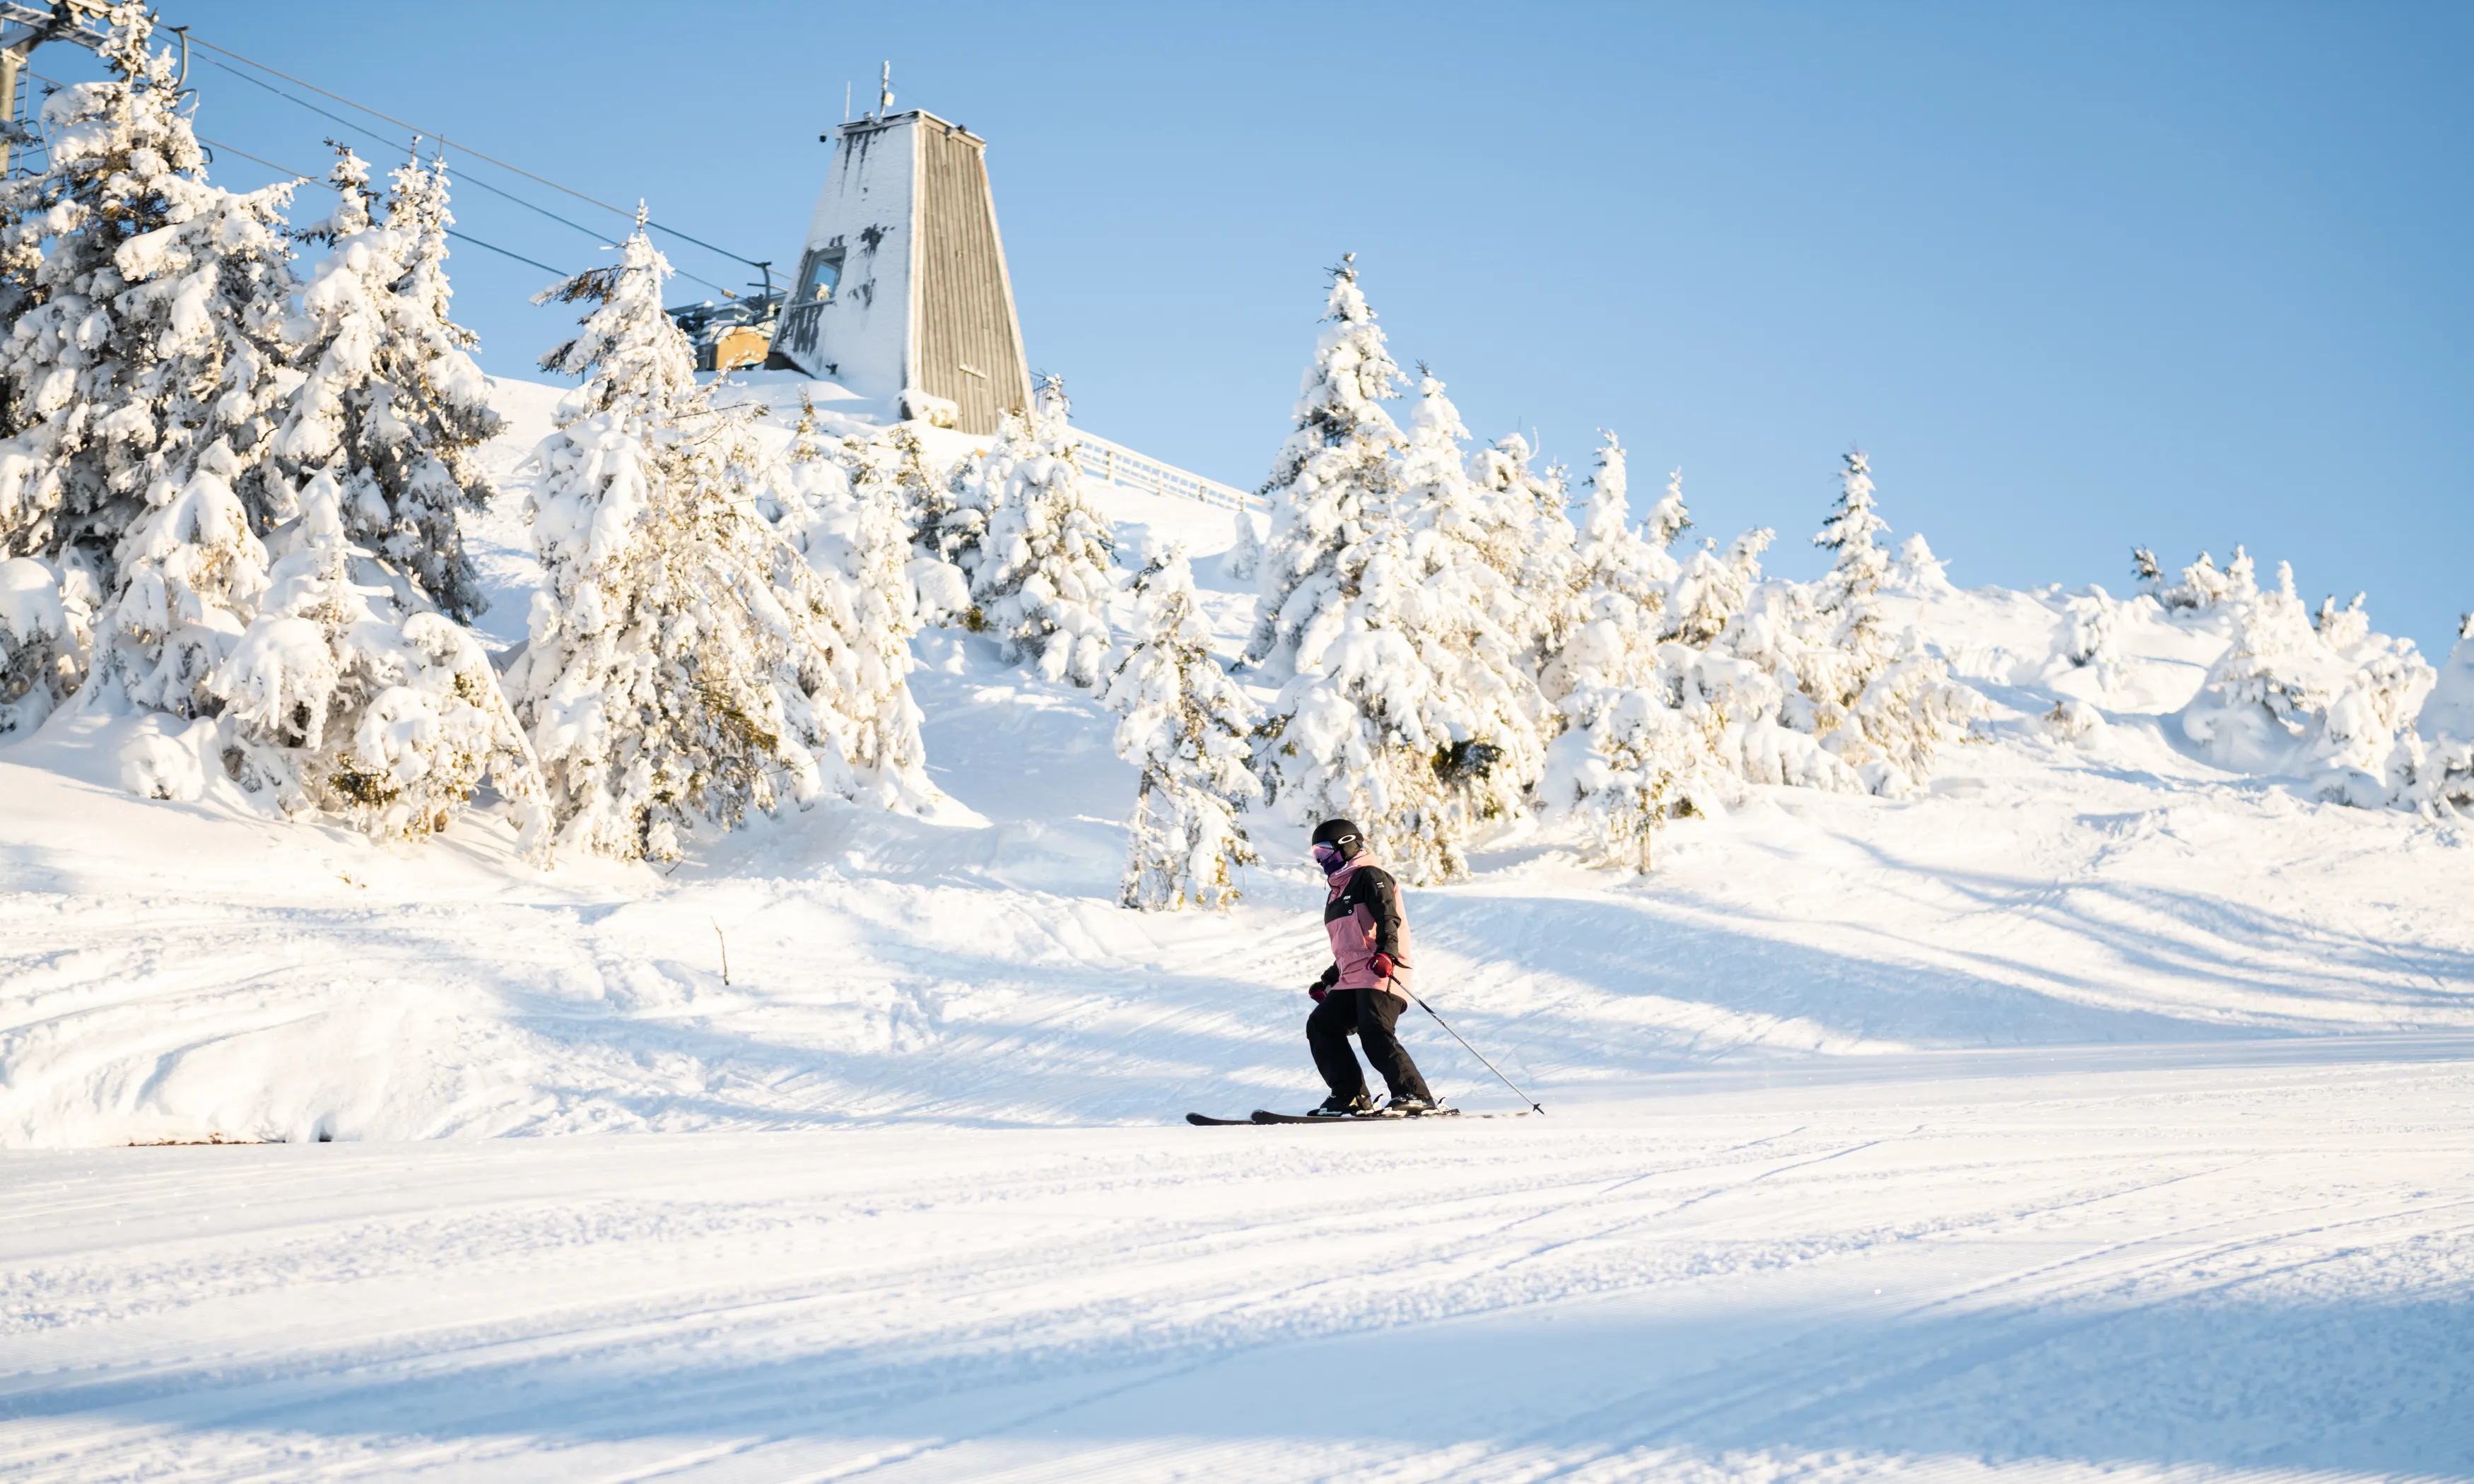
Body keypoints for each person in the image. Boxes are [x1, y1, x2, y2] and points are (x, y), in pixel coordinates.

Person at [1302, 818, 1441, 1116]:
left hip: (1382, 971)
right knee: (1321, 1026)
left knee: (1374, 1029)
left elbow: (1389, 919)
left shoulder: (1371, 876)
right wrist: (1328, 981)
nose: (1321, 860)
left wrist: (1388, 955)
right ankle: (1350, 1096)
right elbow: (1351, 947)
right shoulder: (1336, 893)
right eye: (1316, 854)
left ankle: (1414, 1094)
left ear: (1347, 845)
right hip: (1352, 976)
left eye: (1325, 851)